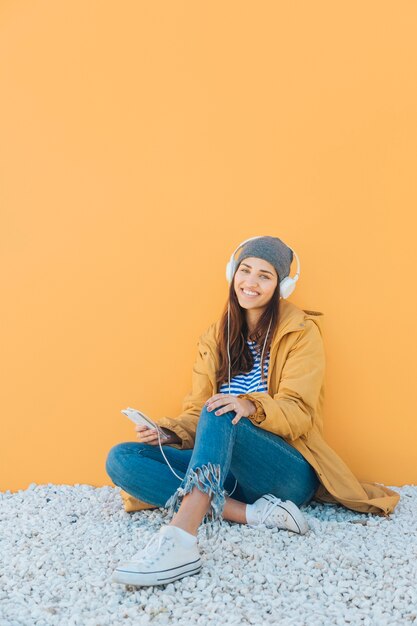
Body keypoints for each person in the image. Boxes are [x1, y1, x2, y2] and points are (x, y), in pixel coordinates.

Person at [105, 235, 400, 588]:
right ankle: (254, 514)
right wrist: (170, 432)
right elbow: (196, 410)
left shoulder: (301, 333)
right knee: (122, 458)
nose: (251, 282)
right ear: (232, 274)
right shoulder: (214, 338)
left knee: (220, 411)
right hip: (227, 473)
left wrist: (249, 405)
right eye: (245, 271)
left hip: (286, 470)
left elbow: (299, 411)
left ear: (281, 286)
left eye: (264, 275)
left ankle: (181, 539)